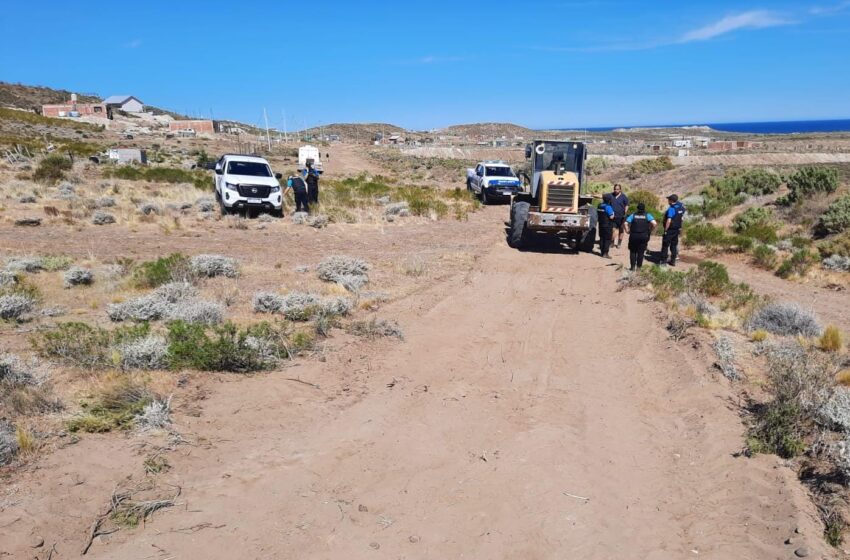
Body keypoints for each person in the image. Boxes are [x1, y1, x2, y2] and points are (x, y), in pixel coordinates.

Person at [624, 202, 657, 271]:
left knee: (633, 252)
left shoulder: (633, 215)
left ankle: (632, 267)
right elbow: (654, 223)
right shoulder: (647, 215)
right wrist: (650, 230)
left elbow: (625, 223)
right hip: (644, 235)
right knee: (641, 252)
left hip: (634, 235)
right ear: (644, 208)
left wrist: (627, 230)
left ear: (637, 208)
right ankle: (639, 268)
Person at [660, 194, 686, 266]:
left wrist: (666, 229)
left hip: (670, 230)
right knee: (674, 245)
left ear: (671, 201)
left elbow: (669, 220)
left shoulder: (672, 209)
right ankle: (673, 260)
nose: (668, 201)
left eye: (669, 199)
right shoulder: (680, 208)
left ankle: (663, 262)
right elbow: (681, 218)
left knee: (665, 245)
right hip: (676, 229)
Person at [609, 184, 629, 248]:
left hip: (622, 217)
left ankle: (619, 243)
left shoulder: (623, 197)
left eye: (617, 189)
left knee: (621, 230)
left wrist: (625, 212)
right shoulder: (611, 195)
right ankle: (612, 242)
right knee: (613, 230)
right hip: (613, 216)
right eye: (615, 189)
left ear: (620, 189)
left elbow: (627, 205)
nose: (616, 190)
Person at [597, 193, 616, 259]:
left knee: (602, 238)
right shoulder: (608, 207)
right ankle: (605, 253)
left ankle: (602, 252)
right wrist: (613, 213)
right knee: (607, 239)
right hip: (607, 225)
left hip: (600, 224)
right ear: (609, 200)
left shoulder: (599, 205)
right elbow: (611, 217)